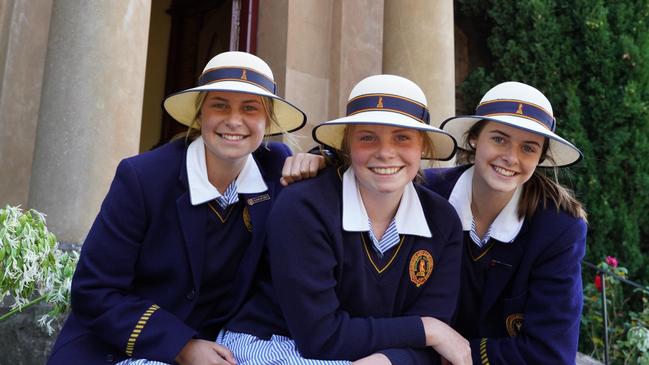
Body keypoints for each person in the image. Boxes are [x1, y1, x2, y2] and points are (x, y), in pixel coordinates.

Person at [47, 51, 308, 365]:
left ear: (267, 122)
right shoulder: (143, 178)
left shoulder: (275, 167)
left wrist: (321, 162)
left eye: (250, 108)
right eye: (220, 104)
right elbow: (94, 290)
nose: (234, 120)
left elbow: (355, 168)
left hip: (221, 347)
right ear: (200, 115)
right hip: (117, 347)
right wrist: (181, 346)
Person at [219, 74, 472, 365]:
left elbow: (432, 344)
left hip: (374, 356)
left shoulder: (442, 220)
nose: (385, 153)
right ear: (347, 144)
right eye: (367, 137)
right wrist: (426, 329)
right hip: (278, 344)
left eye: (402, 137)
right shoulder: (303, 206)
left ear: (423, 146)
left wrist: (390, 360)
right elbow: (320, 336)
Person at [424, 81, 587, 364]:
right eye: (499, 139)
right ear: (475, 139)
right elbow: (368, 178)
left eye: (528, 148)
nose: (511, 158)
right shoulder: (426, 194)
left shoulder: (559, 228)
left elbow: (551, 353)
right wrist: (327, 163)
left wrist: (457, 352)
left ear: (541, 157)